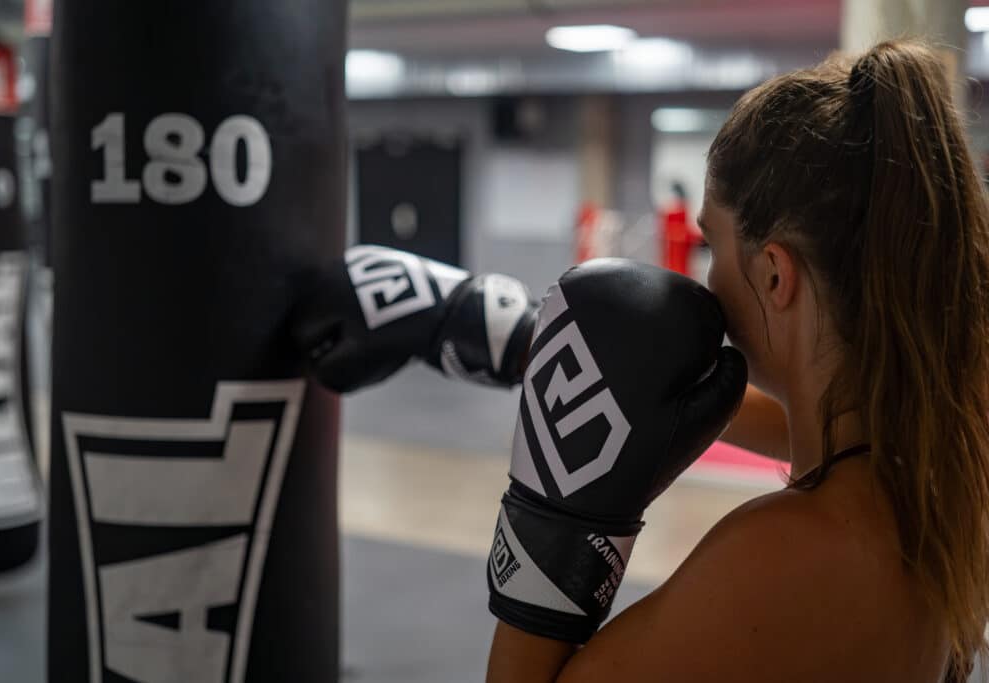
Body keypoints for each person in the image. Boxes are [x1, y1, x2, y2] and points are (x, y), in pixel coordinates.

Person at [296, 38, 989, 683]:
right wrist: (520, 341)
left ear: (777, 276)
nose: (704, 281)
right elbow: (795, 421)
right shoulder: (939, 456)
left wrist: (556, 525)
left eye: (712, 247)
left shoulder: (790, 555)